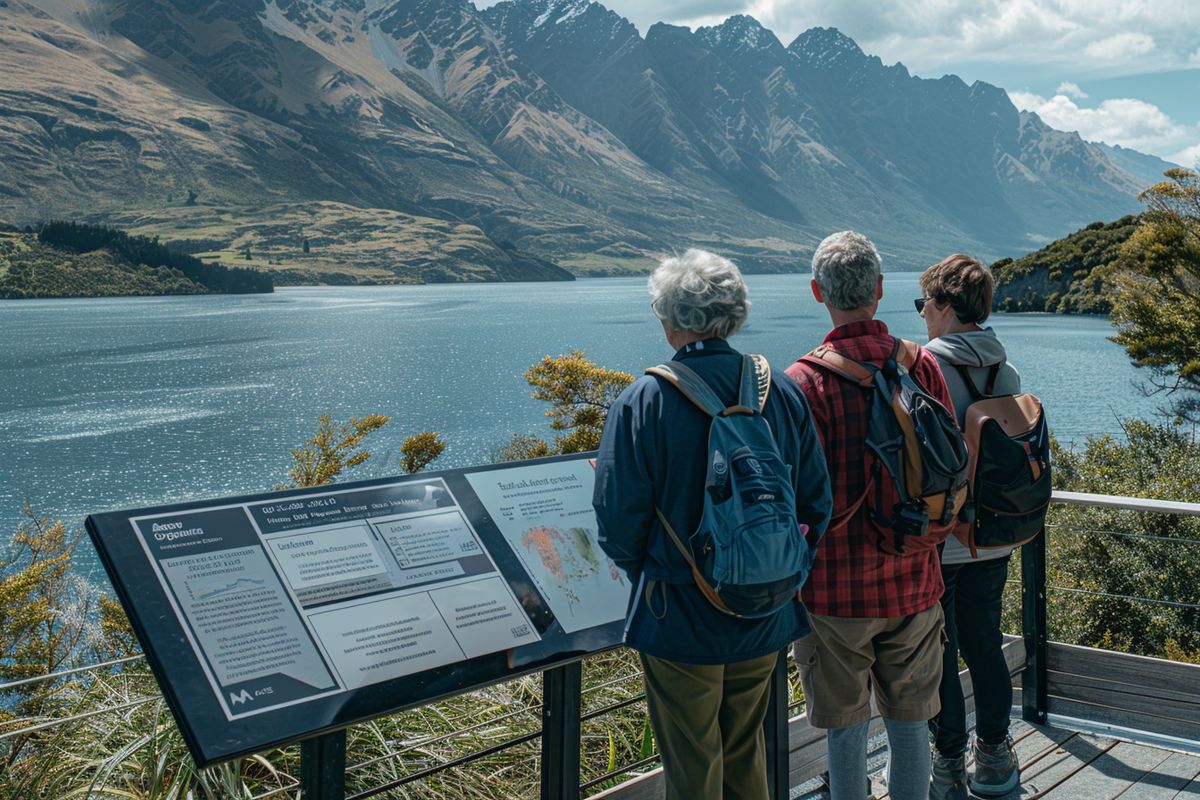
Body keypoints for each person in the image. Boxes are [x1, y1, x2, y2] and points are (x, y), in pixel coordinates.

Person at [593, 248, 832, 800]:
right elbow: (816, 504)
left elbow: (616, 522)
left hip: (678, 612)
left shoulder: (644, 401)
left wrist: (663, 573)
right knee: (747, 752)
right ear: (737, 313)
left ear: (671, 318)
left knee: (692, 764)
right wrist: (776, 567)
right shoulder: (782, 391)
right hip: (767, 606)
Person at [786, 231, 954, 800]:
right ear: (880, 290)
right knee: (911, 724)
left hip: (834, 592)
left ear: (817, 292)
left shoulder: (802, 383)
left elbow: (790, 493)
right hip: (915, 575)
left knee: (845, 731)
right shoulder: (921, 367)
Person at [918, 255, 1022, 800]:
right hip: (995, 535)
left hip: (943, 537)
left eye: (924, 306)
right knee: (985, 643)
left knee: (940, 649)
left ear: (945, 306)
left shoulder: (926, 367)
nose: (922, 318)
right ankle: (997, 759)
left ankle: (950, 763)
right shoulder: (1004, 367)